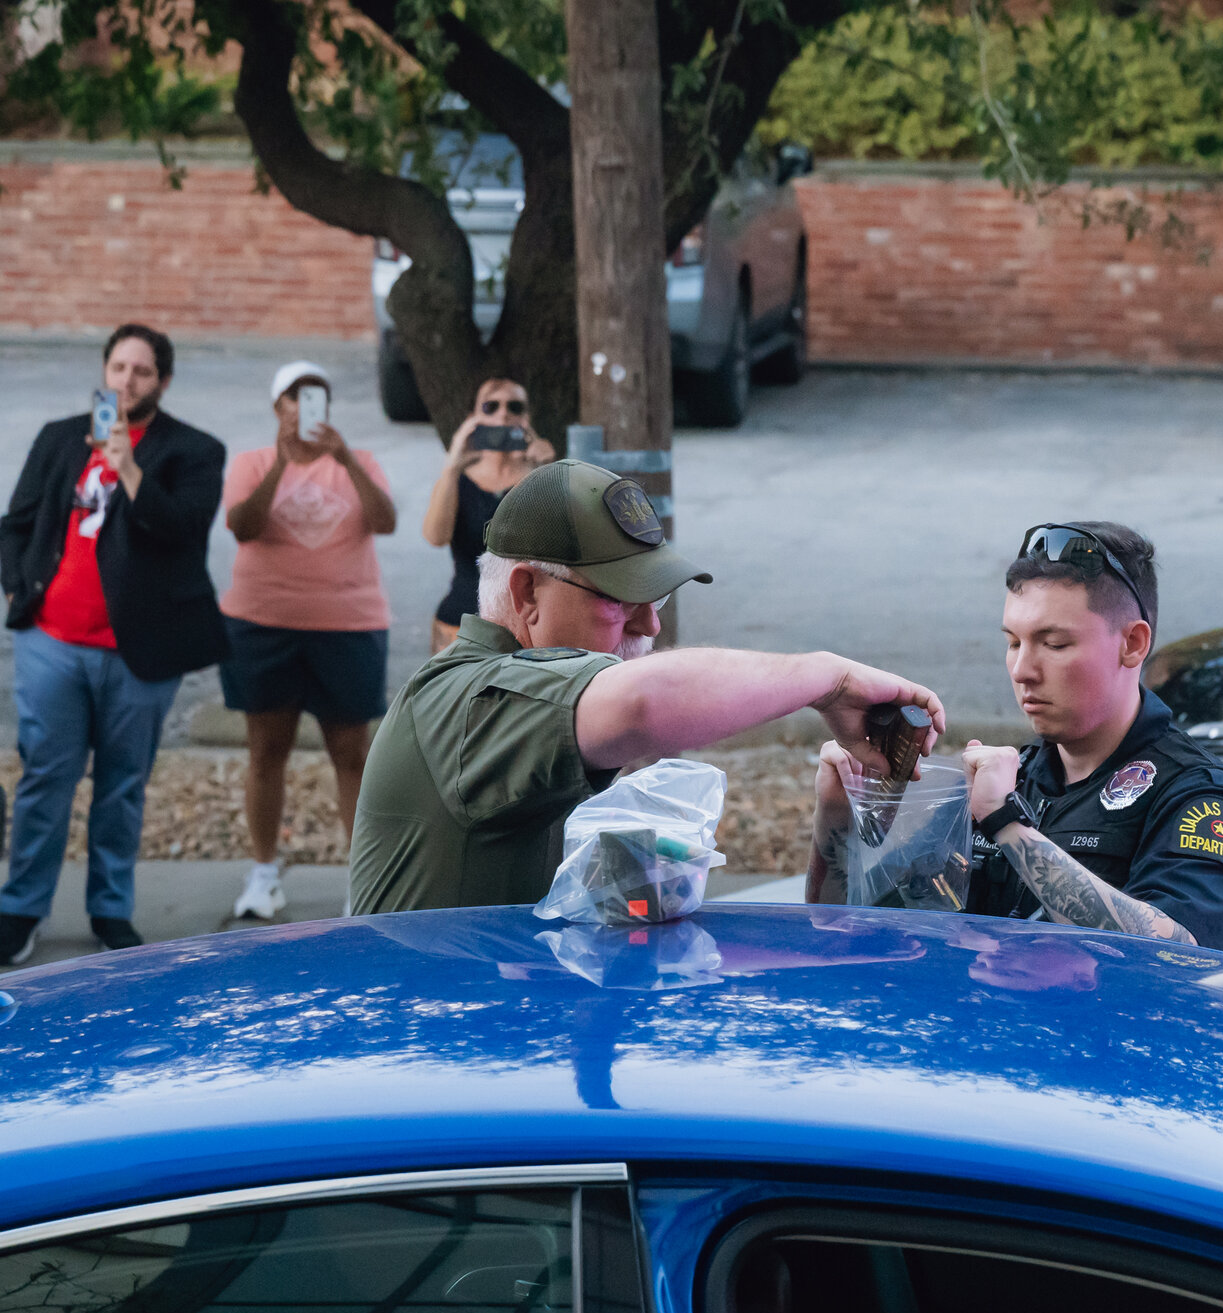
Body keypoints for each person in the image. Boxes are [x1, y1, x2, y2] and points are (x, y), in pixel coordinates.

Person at [349, 459, 945, 915]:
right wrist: (828, 679)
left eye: (655, 598)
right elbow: (643, 702)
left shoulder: (535, 720)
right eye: (619, 601)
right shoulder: (469, 698)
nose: (649, 625)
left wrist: (839, 816)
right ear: (527, 593)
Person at [808, 521, 1223, 950]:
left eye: (1054, 644)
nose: (1022, 670)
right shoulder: (1017, 779)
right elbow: (848, 932)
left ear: (1132, 644)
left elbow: (1181, 952)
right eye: (1013, 641)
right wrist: (837, 817)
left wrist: (1008, 823)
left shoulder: (1200, 797)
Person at [0, 323, 228, 965]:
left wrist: (129, 466)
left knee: (123, 785)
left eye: (142, 372)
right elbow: (14, 525)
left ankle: (109, 910)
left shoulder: (194, 451)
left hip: (140, 653)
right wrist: (20, 588)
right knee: (46, 774)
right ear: (104, 370)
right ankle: (20, 911)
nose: (126, 382)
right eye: (118, 368)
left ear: (163, 382)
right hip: (53, 643)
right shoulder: (58, 438)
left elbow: (182, 531)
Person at [220, 361, 397, 921]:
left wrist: (343, 460)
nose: (304, 407)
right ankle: (264, 873)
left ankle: (361, 881)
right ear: (277, 408)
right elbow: (244, 525)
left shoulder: (359, 462)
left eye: (315, 396)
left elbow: (385, 521)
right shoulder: (251, 463)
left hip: (348, 626)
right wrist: (279, 462)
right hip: (262, 625)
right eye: (294, 397)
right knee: (266, 750)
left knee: (352, 754)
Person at [421, 376, 555, 653]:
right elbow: (435, 536)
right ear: (473, 418)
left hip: (523, 629)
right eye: (490, 406)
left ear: (527, 418)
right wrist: (452, 464)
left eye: (515, 407)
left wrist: (547, 473)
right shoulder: (457, 478)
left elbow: (553, 549)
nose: (503, 414)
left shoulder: (540, 477)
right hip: (460, 623)